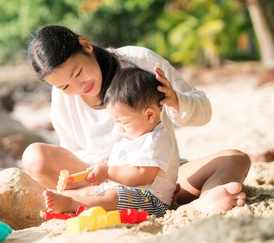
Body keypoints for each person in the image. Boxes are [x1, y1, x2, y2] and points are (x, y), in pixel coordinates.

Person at [24, 24, 250, 213]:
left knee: (235, 158)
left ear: (85, 45)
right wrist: (110, 169)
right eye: (64, 86)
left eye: (78, 73)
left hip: (160, 176)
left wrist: (175, 100)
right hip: (102, 178)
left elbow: (203, 112)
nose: (78, 87)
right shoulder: (62, 98)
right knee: (35, 156)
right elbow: (70, 154)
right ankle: (94, 198)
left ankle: (205, 202)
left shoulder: (138, 60)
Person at [44, 67, 179, 217]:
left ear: (149, 115)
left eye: (124, 122)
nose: (119, 129)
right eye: (116, 122)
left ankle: (71, 204)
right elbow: (127, 160)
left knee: (112, 196)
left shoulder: (155, 140)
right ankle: (72, 202)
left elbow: (143, 175)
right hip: (129, 193)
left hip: (152, 201)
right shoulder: (136, 135)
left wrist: (109, 172)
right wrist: (108, 162)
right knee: (92, 191)